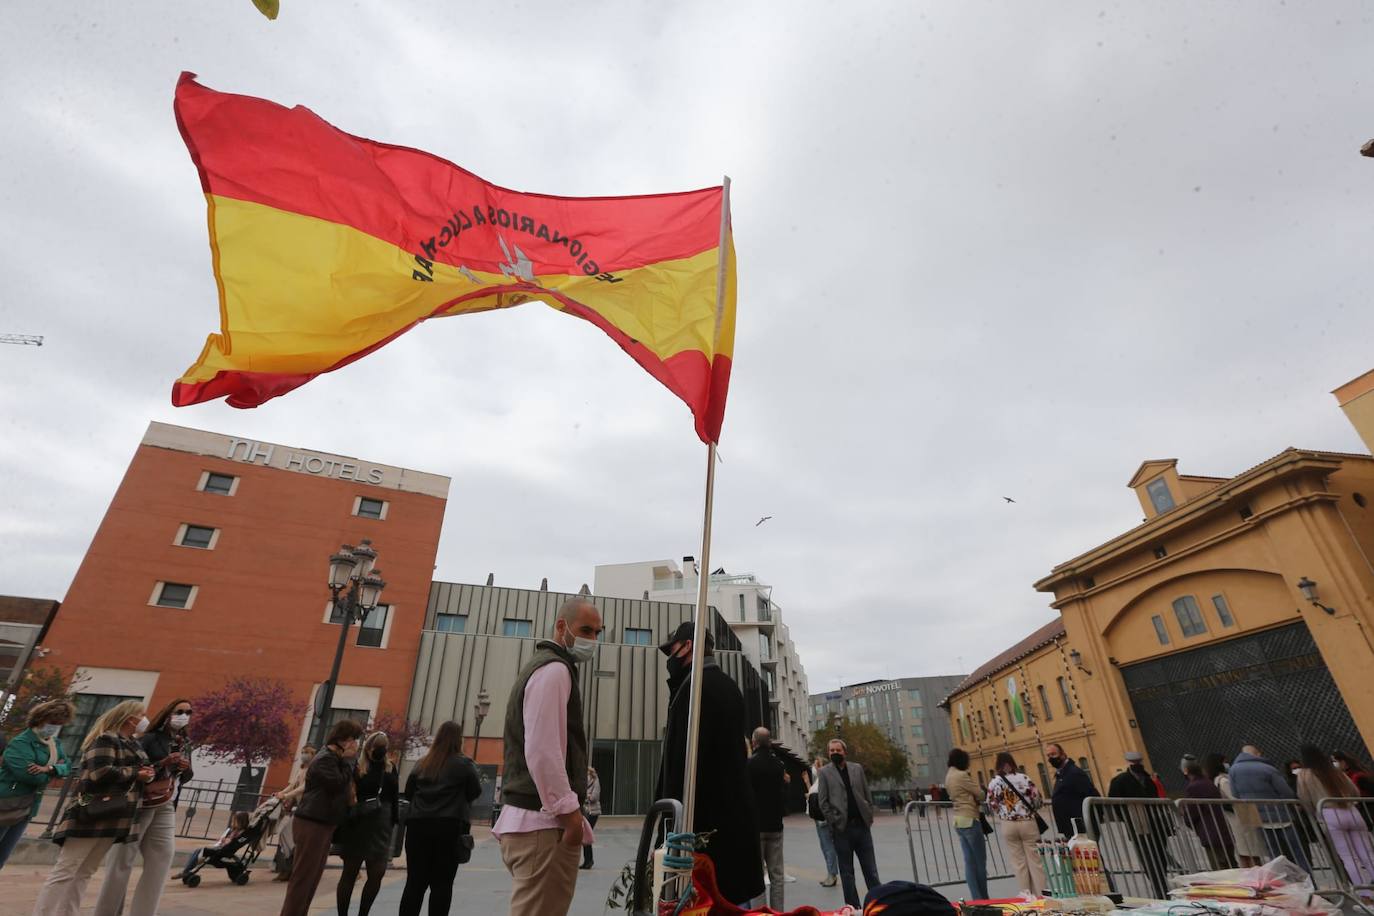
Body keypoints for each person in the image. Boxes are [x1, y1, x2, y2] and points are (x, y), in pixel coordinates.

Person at [493, 598, 603, 916]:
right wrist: (569, 816)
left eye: (597, 632)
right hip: (544, 826)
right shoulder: (555, 670)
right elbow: (543, 750)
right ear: (561, 626)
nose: (592, 640)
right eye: (585, 630)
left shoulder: (546, 667)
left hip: (533, 822)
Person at [655, 620, 763, 908]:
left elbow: (682, 767)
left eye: (672, 650)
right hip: (732, 834)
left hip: (706, 840)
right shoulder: (727, 687)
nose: (670, 660)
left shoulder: (694, 691)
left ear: (687, 647)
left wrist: (668, 831)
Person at [31, 700, 155, 916]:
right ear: (129, 717)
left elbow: (136, 769)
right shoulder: (106, 738)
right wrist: (137, 773)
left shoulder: (134, 744)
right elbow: (100, 772)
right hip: (91, 812)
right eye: (141, 714)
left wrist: (148, 773)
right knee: (66, 870)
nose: (144, 719)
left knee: (86, 871)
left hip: (116, 814)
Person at [96, 697, 194, 915]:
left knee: (163, 857)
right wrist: (163, 763)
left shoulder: (185, 743)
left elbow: (186, 777)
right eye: (180, 711)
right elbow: (135, 768)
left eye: (188, 713)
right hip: (140, 804)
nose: (184, 716)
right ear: (168, 713)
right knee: (122, 862)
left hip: (165, 803)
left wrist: (184, 768)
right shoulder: (149, 738)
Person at [279, 718, 363, 916]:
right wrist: (350, 760)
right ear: (343, 739)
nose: (355, 744)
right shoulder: (326, 758)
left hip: (325, 822)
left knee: (313, 877)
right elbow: (337, 783)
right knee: (303, 877)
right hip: (312, 821)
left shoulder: (335, 759)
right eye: (353, 739)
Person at [400, 720, 482, 916]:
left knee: (414, 883)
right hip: (449, 827)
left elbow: (409, 793)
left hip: (417, 827)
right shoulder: (464, 765)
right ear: (458, 740)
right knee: (442, 884)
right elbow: (474, 792)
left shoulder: (422, 764)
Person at [0, 699, 74, 870]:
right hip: (7, 801)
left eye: (60, 724)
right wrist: (53, 772)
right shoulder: (21, 742)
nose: (55, 727)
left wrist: (47, 768)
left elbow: (68, 766)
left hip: (28, 805)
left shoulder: (54, 744)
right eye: (52, 722)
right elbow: (28, 775)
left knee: (3, 854)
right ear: (39, 719)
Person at [335, 731, 399, 916]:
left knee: (377, 872)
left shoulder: (390, 767)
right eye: (378, 747)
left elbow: (394, 797)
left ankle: (363, 913)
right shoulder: (357, 767)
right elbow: (348, 795)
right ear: (369, 748)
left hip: (381, 825)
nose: (381, 751)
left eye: (384, 747)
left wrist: (394, 821)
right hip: (359, 823)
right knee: (350, 872)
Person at [1297, 743, 1374, 888]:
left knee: (1348, 858)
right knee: (1368, 853)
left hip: (1328, 813)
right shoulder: (1334, 770)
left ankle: (1366, 895)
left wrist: (1314, 812)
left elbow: (1305, 798)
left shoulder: (1304, 775)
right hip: (1351, 810)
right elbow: (1354, 791)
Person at [1229, 744, 1312, 875]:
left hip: (1259, 818)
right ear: (1256, 753)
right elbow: (1286, 792)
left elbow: (1235, 793)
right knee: (1297, 850)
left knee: (1274, 853)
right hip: (1281, 815)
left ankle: (1283, 881)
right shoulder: (1267, 768)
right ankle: (1307, 878)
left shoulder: (1233, 770)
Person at [817, 738, 880, 908]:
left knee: (871, 871)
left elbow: (867, 793)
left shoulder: (857, 768)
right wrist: (835, 821)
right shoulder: (824, 772)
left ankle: (877, 905)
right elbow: (823, 802)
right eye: (832, 751)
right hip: (842, 830)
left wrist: (869, 814)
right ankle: (853, 908)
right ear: (828, 753)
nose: (835, 753)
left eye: (838, 750)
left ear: (845, 752)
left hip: (862, 827)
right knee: (847, 873)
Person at [1107, 751, 1169, 898]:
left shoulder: (1148, 779)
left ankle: (1162, 883)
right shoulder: (1120, 781)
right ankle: (1159, 887)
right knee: (1147, 856)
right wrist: (1126, 817)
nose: (1136, 765)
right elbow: (1113, 802)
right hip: (1137, 825)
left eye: (1138, 763)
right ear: (1129, 764)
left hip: (1156, 823)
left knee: (1160, 855)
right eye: (1134, 763)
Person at [986, 752, 1046, 896]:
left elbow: (991, 805)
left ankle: (1025, 895)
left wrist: (1003, 811)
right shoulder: (1024, 778)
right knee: (1035, 860)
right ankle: (1042, 894)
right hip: (1027, 821)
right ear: (1013, 763)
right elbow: (1037, 800)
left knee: (1018, 862)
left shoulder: (994, 782)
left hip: (1008, 824)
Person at [747, 726, 787, 911]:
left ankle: (761, 912)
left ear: (754, 742)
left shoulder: (749, 765)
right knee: (777, 875)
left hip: (756, 827)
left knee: (756, 875)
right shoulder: (778, 765)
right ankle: (778, 912)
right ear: (769, 742)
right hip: (776, 826)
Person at [1207, 752, 1264, 867]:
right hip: (1241, 818)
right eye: (1224, 762)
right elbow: (1233, 797)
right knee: (1250, 849)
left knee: (1244, 849)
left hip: (1235, 818)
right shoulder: (1224, 780)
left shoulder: (1216, 780)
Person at [946, 747, 988, 900]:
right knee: (980, 863)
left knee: (969, 863)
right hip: (970, 818)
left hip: (958, 820)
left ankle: (976, 898)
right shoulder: (961, 775)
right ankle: (983, 898)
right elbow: (981, 794)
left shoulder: (949, 775)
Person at [272, 744, 317, 880]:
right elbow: (293, 785)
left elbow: (303, 787)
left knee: (288, 834)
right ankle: (287, 866)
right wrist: (281, 793)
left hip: (307, 807)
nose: (304, 754)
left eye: (307, 752)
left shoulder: (313, 770)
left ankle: (290, 868)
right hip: (300, 808)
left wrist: (286, 796)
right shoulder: (301, 769)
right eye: (303, 752)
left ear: (313, 755)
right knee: (287, 836)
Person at [1182, 759, 1234, 869]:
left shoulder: (1193, 787)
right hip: (1221, 827)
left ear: (1186, 771)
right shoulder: (1208, 782)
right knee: (1229, 862)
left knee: (1219, 865)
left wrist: (1189, 822)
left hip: (1209, 830)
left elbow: (1192, 811)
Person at [1045, 743, 1098, 838]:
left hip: (1080, 825)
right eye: (1048, 756)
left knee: (1088, 851)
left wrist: (1088, 820)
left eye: (1053, 754)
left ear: (1063, 754)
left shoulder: (1074, 773)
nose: (1051, 758)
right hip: (1070, 826)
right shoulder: (1061, 773)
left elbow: (1090, 794)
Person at [805, 757, 838, 887]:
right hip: (818, 819)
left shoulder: (825, 779)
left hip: (823, 820)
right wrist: (807, 783)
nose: (814, 767)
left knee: (828, 847)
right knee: (825, 847)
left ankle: (832, 874)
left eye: (816, 765)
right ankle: (830, 874)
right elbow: (813, 793)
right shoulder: (819, 780)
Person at [581, 766, 601, 869]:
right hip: (586, 811)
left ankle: (589, 861)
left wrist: (586, 795)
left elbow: (594, 797)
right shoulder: (583, 783)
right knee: (585, 836)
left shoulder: (595, 782)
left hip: (593, 812)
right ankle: (587, 861)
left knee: (586, 835)